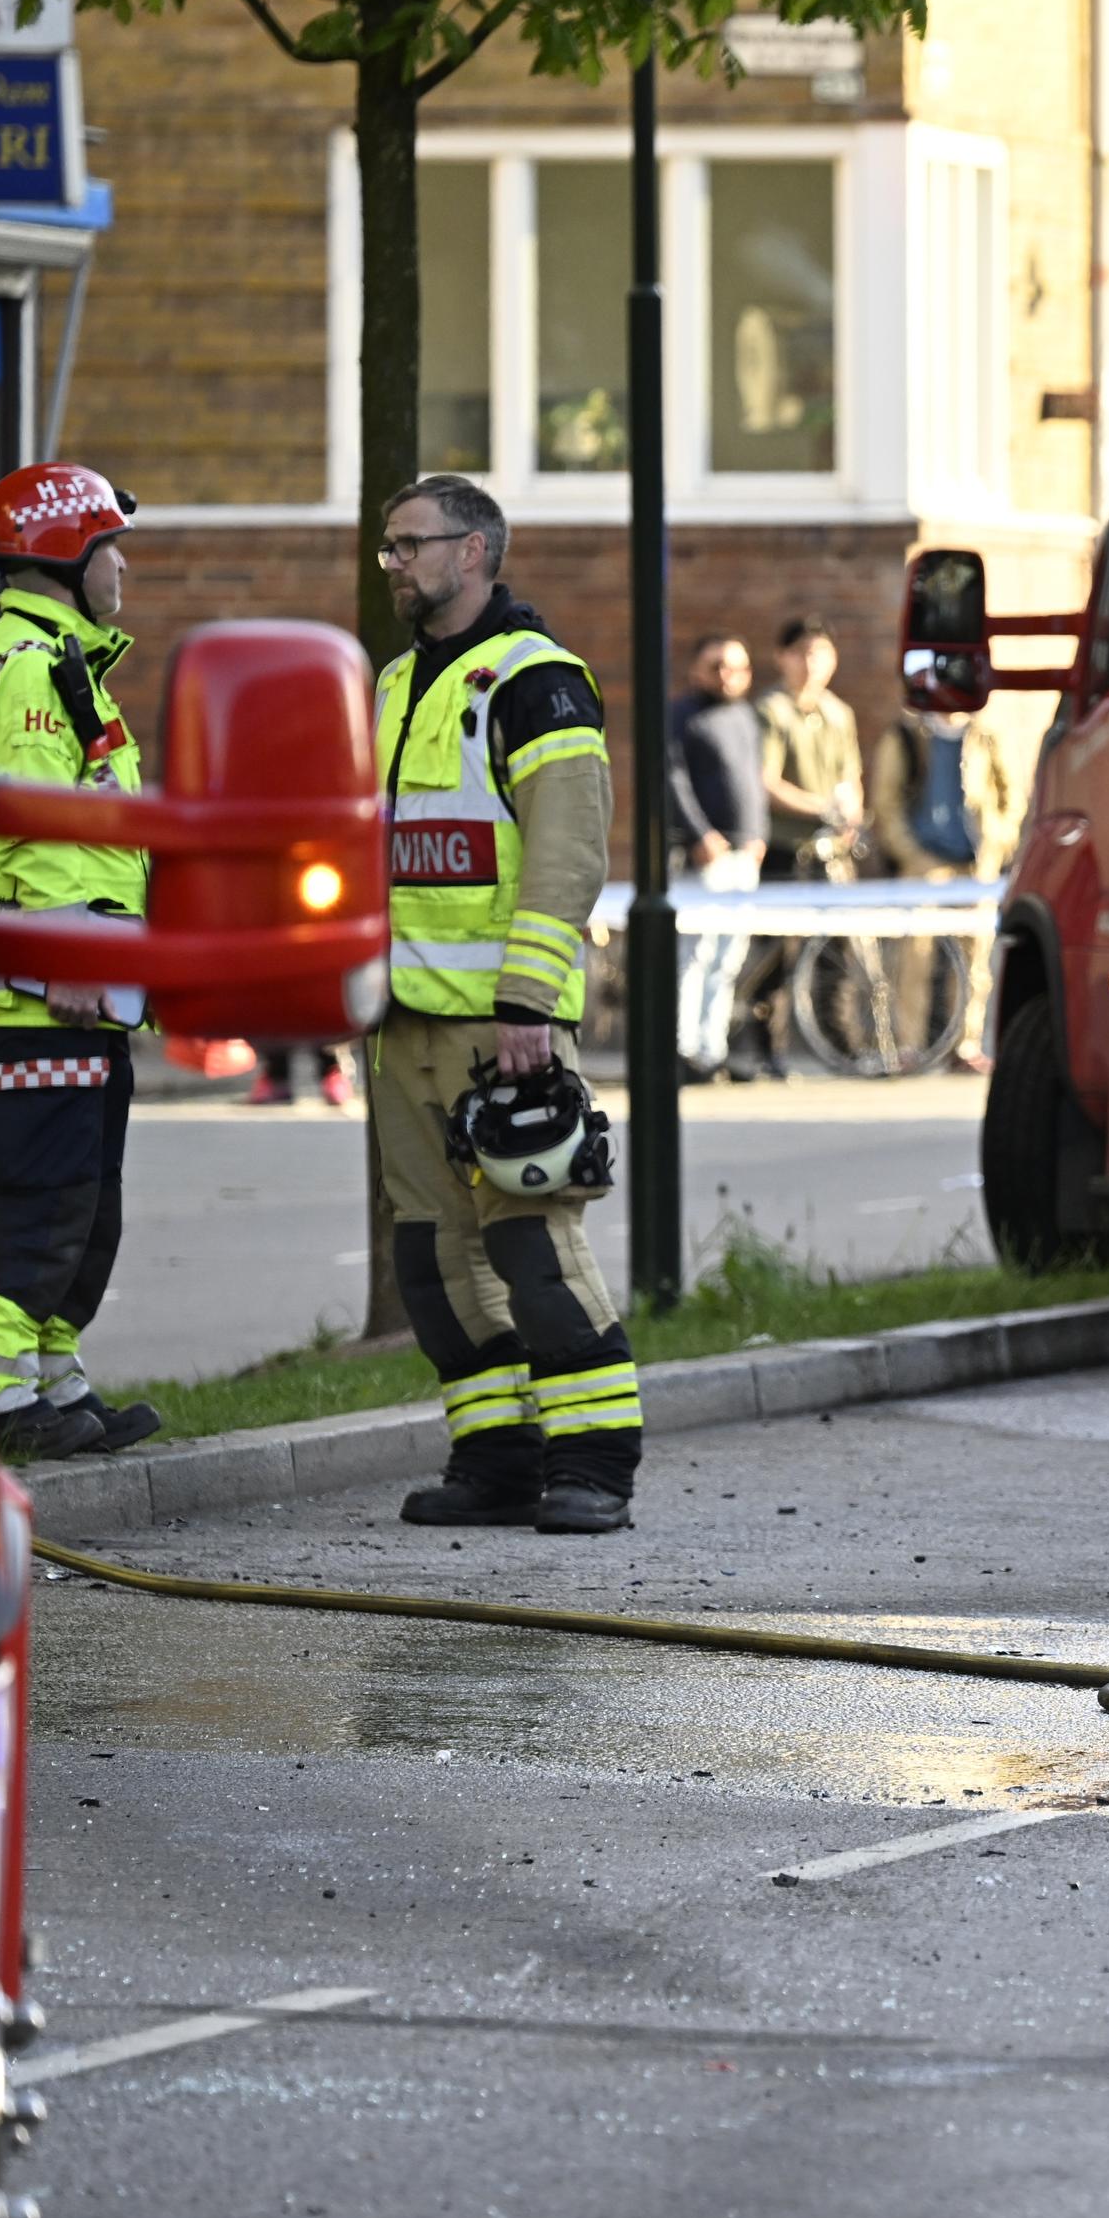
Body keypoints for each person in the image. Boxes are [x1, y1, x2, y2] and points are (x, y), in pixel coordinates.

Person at [367, 474, 646, 1535]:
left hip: (502, 1024)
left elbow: (568, 849)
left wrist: (531, 996)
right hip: (403, 1025)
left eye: (410, 544)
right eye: (388, 545)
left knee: (531, 1245)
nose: (392, 562)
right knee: (432, 1259)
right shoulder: (396, 682)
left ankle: (596, 1464)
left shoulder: (538, 681)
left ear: (474, 551)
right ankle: (497, 1460)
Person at [0, 463, 166, 1465]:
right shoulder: (37, 669)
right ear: (63, 555)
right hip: (55, 990)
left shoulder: (59, 662)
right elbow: (42, 827)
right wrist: (69, 955)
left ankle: (54, 1381)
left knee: (84, 1198)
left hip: (81, 988)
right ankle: (5, 1399)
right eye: (109, 548)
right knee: (43, 1198)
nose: (122, 566)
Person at [737, 616, 864, 1078]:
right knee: (777, 954)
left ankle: (843, 1045)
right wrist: (821, 807)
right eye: (803, 653)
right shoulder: (771, 710)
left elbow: (851, 777)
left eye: (821, 654)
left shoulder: (838, 712)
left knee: (840, 950)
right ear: (783, 657)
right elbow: (767, 782)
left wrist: (848, 813)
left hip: (831, 851)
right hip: (784, 847)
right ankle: (768, 1050)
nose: (812, 664)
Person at [667, 635, 765, 1081]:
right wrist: (698, 834)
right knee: (696, 955)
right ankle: (682, 1050)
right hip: (704, 856)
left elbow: (755, 780)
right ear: (696, 670)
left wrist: (758, 836)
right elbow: (673, 779)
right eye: (718, 666)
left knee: (728, 958)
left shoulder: (745, 715)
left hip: (745, 854)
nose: (728, 675)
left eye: (737, 667)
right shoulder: (682, 715)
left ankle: (712, 1050)